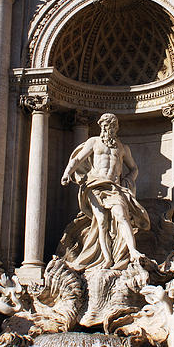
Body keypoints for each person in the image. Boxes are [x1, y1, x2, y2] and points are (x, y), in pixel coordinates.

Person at [60, 113, 150, 270]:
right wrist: (67, 173)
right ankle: (107, 259)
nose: (106, 128)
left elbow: (134, 168)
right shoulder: (93, 142)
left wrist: (128, 180)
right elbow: (77, 159)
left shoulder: (122, 148)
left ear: (115, 128)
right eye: (104, 125)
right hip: (95, 185)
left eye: (109, 126)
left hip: (114, 188)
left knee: (122, 216)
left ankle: (133, 251)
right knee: (101, 222)